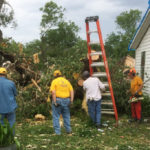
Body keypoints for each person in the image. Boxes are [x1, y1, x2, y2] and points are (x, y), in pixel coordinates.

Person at [50, 70, 74, 135]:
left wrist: (55, 101)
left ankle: (57, 132)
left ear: (54, 76)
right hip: (67, 100)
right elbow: (71, 91)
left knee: (56, 116)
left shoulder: (54, 81)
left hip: (58, 100)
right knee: (66, 116)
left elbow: (53, 92)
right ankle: (68, 130)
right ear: (61, 74)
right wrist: (71, 101)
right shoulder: (67, 81)